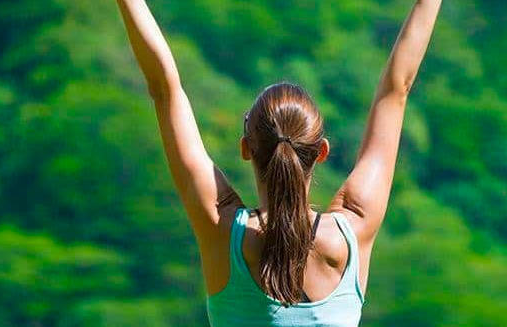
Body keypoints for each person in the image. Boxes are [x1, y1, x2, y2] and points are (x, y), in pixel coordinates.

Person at [115, 0, 441, 325]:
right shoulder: (353, 230)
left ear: (246, 148)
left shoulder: (222, 229)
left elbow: (164, 89)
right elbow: (397, 89)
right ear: (322, 151)